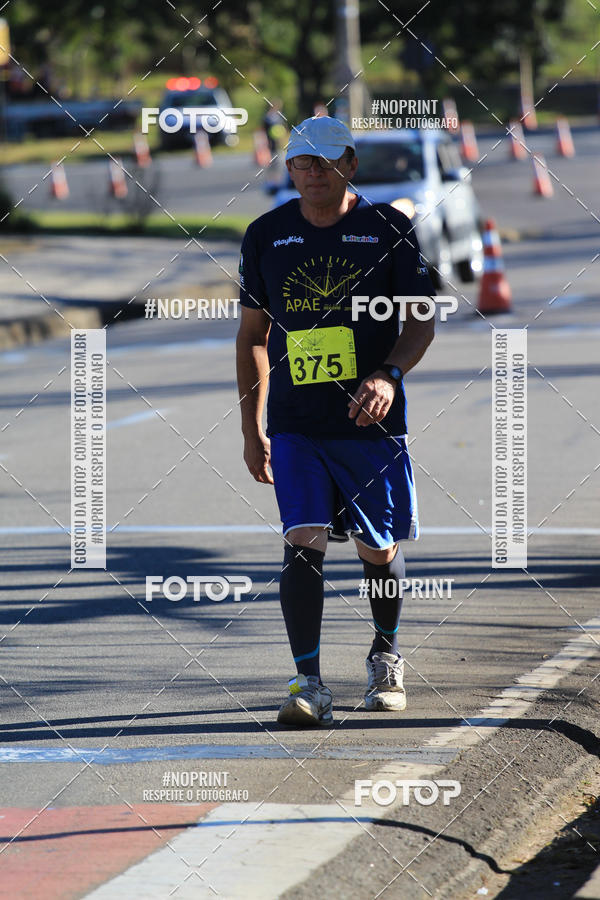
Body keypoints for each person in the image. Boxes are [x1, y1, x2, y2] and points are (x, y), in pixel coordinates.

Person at [236, 116, 435, 727]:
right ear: (289, 168)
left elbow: (421, 321)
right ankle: (308, 681)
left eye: (325, 162)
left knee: (379, 548)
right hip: (297, 422)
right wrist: (253, 429)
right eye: (301, 162)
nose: (313, 173)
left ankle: (385, 653)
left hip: (369, 422)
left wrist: (388, 375)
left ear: (349, 164)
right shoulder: (266, 235)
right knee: (303, 542)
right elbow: (252, 336)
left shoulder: (388, 230)